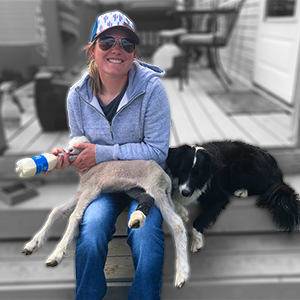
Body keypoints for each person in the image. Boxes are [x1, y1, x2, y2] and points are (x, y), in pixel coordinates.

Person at [46, 11, 171, 300]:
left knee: (146, 241)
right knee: (90, 233)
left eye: (127, 43)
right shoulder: (77, 95)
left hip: (145, 183)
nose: (118, 48)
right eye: (107, 41)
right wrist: (69, 155)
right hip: (103, 184)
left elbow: (156, 151)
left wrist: (100, 152)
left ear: (134, 52)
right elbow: (80, 144)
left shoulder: (152, 90)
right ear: (92, 49)